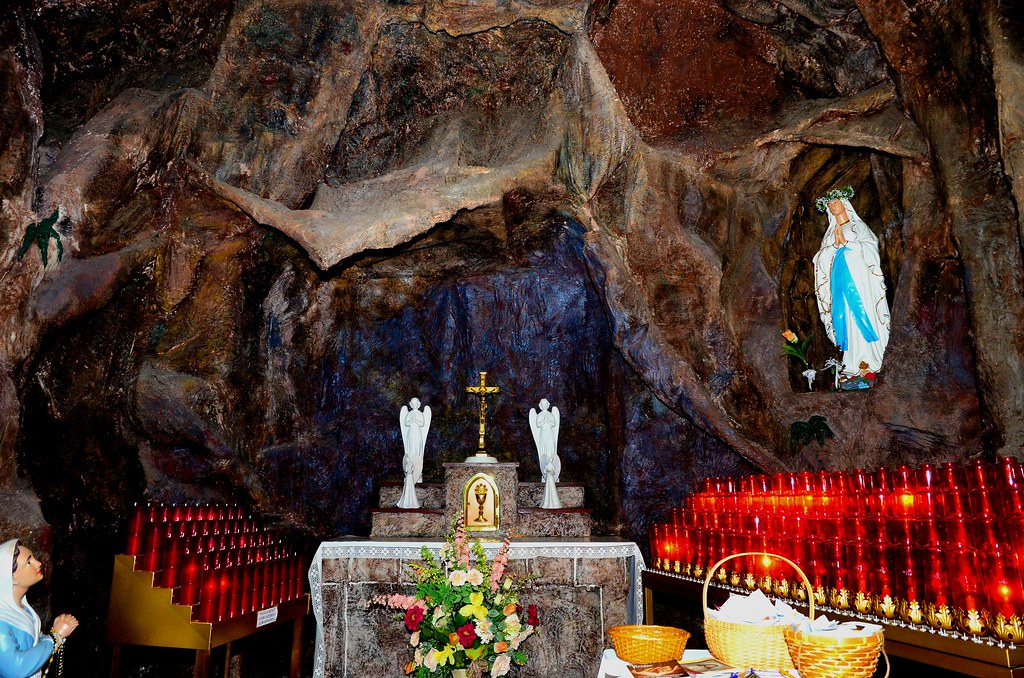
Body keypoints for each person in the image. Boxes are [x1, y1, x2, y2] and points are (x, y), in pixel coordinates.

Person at [811, 189, 891, 383]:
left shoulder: (858, 227)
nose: (832, 207)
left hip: (861, 283)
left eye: (835, 203)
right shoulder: (830, 234)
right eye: (829, 206)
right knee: (846, 318)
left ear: (845, 204)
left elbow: (871, 248)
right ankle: (853, 362)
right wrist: (835, 246)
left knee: (864, 313)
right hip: (839, 283)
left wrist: (848, 243)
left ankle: (873, 359)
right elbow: (820, 259)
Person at [0, 539, 78, 678]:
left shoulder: (24, 610)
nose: (39, 563)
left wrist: (55, 632)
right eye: (29, 562)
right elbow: (15, 669)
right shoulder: (2, 621)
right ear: (12, 577)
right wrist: (54, 638)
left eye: (34, 558)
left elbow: (32, 642)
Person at [397, 398, 431, 509]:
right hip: (411, 433)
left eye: (417, 403)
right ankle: (409, 472)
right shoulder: (410, 413)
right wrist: (413, 420)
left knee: (417, 450)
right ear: (411, 404)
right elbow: (406, 423)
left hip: (417, 434)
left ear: (419, 404)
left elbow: (422, 423)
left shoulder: (421, 413)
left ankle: (418, 472)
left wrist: (416, 420)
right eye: (413, 403)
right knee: (410, 450)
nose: (415, 404)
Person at [528, 399, 560, 484]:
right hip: (543, 434)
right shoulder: (539, 415)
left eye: (546, 404)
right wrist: (544, 421)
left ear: (548, 405)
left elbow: (553, 424)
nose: (544, 405)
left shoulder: (550, 414)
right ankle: (545, 470)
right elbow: (538, 424)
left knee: (551, 449)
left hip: (550, 433)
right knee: (544, 451)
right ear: (540, 406)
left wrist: (547, 420)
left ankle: (553, 470)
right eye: (543, 404)